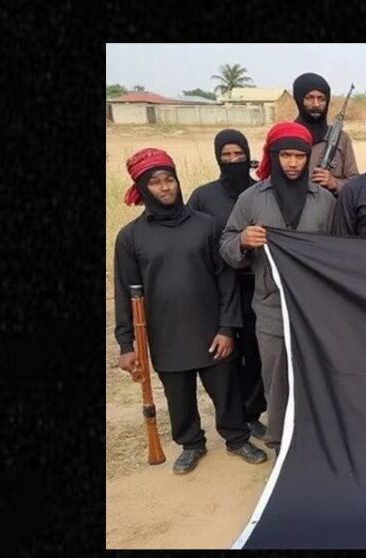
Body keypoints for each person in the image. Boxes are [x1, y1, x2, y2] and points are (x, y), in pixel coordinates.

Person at [114, 148, 267, 474]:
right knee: (178, 396)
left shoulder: (205, 225)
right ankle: (191, 443)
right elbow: (126, 293)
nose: (165, 187)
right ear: (142, 188)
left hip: (211, 330)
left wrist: (226, 328)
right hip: (165, 333)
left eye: (169, 179)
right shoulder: (130, 237)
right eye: (155, 182)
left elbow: (226, 280)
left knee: (226, 390)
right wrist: (127, 344)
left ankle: (237, 438)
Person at [219, 122, 337, 454]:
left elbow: (339, 250)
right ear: (273, 155)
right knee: (276, 381)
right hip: (271, 308)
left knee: (318, 377)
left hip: (316, 310)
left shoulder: (324, 200)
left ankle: (317, 444)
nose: (293, 163)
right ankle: (280, 446)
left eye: (300, 156)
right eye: (285, 155)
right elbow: (226, 244)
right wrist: (243, 241)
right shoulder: (251, 198)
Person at [186, 129, 267, 439]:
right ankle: (233, 418)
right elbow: (192, 239)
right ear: (217, 158)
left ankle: (253, 412)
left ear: (248, 155)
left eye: (239, 154)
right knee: (225, 359)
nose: (233, 161)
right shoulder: (203, 197)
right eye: (226, 156)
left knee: (256, 353)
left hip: (255, 285)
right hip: (219, 290)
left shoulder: (261, 192)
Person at [291, 72, 360, 195]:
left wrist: (335, 183)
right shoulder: (286, 135)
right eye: (309, 98)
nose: (316, 104)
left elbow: (355, 182)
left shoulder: (341, 138)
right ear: (299, 99)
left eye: (321, 99)